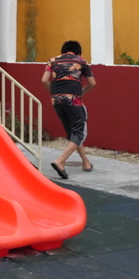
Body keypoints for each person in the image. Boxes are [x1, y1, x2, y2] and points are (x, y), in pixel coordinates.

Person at [41, 40, 97, 179]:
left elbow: (44, 80)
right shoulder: (81, 61)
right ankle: (60, 161)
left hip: (57, 100)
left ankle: (86, 163)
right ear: (78, 52)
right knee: (79, 133)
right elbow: (92, 83)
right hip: (74, 100)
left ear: (63, 51)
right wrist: (81, 93)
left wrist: (55, 93)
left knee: (73, 133)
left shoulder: (52, 61)